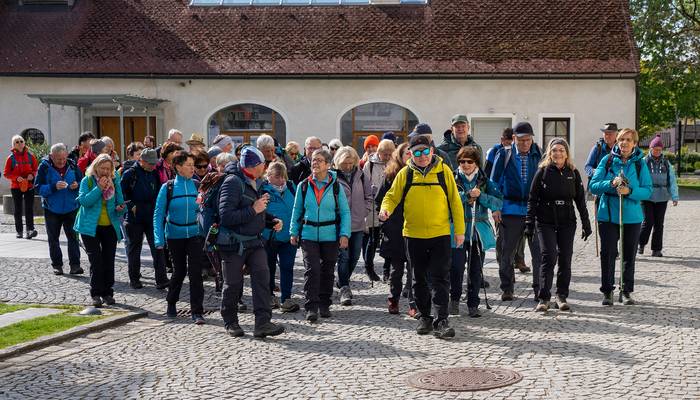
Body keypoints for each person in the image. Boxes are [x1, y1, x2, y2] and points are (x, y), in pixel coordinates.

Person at [379, 133, 465, 339]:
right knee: (418, 279)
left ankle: (442, 320)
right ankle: (424, 317)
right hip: (414, 234)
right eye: (417, 152)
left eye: (425, 151)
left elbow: (455, 202)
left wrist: (459, 231)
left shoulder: (444, 172)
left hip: (440, 234)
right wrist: (385, 209)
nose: (422, 155)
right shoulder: (405, 174)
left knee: (440, 278)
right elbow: (391, 196)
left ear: (432, 151)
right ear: (410, 154)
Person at [217, 147, 286, 338]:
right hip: (233, 243)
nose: (266, 166)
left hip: (254, 241)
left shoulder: (255, 181)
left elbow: (255, 210)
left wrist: (271, 221)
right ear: (254, 166)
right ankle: (230, 321)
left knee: (263, 280)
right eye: (263, 163)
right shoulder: (232, 182)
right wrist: (254, 210)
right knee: (233, 284)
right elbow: (226, 216)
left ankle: (262, 323)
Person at [526, 138, 591, 312]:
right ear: (549, 152)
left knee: (565, 259)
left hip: (567, 220)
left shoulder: (573, 172)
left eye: (561, 150)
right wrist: (529, 223)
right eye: (554, 150)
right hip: (545, 220)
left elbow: (580, 201)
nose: (558, 153)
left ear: (567, 153)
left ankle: (561, 295)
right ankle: (544, 297)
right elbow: (532, 199)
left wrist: (586, 222)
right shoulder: (542, 172)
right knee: (549, 257)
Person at [589, 128, 652, 306]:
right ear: (617, 141)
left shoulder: (640, 163)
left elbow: (647, 190)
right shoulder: (607, 160)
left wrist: (629, 191)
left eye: (628, 140)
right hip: (608, 215)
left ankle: (626, 291)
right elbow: (593, 185)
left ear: (634, 143)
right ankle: (607, 291)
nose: (624, 143)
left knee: (628, 255)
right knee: (608, 253)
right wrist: (611, 183)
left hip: (631, 216)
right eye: (621, 139)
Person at [290, 149, 351, 322]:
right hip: (308, 234)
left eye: (318, 160)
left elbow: (345, 212)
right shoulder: (303, 185)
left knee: (327, 271)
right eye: (313, 160)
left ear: (328, 164)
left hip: (330, 234)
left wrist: (344, 234)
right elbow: (297, 211)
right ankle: (311, 306)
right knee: (312, 270)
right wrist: (294, 231)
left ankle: (324, 303)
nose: (314, 163)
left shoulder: (336, 186)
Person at [490, 122, 543, 301]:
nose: (525, 143)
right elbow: (493, 183)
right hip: (510, 210)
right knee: (506, 252)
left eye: (528, 140)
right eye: (521, 140)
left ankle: (539, 289)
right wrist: (496, 207)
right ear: (514, 139)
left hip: (533, 211)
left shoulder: (539, 155)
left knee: (538, 253)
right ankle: (507, 288)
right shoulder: (504, 154)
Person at [154, 151, 206, 324]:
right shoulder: (167, 187)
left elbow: (202, 210)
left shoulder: (197, 185)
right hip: (174, 236)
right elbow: (158, 214)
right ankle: (171, 302)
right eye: (189, 165)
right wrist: (158, 239)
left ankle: (197, 311)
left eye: (193, 165)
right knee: (179, 271)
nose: (193, 168)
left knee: (196, 272)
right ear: (178, 167)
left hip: (194, 234)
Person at [449, 146, 502, 317]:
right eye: (462, 161)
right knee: (455, 269)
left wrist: (481, 197)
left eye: (469, 161)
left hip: (477, 232)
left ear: (476, 163)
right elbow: (449, 200)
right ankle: (454, 301)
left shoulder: (484, 181)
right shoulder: (452, 178)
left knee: (476, 270)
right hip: (457, 230)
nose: (465, 164)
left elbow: (498, 202)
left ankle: (473, 303)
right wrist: (467, 195)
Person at [74, 154, 126, 308]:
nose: (105, 171)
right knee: (96, 261)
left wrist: (121, 208)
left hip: (109, 225)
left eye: (108, 169)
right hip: (90, 227)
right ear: (96, 167)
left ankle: (107, 293)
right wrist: (99, 188)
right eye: (102, 168)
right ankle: (95, 293)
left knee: (108, 260)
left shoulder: (115, 182)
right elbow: (84, 201)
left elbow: (121, 203)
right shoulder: (88, 181)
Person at [120, 148, 169, 290]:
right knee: (134, 249)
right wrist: (132, 206)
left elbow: (159, 192)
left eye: (154, 163)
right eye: (150, 163)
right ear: (141, 161)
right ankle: (134, 278)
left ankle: (161, 279)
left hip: (151, 216)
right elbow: (123, 193)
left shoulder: (154, 173)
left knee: (157, 246)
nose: (153, 166)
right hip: (134, 218)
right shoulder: (130, 173)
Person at [375, 143, 414, 315]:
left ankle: (414, 303)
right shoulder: (391, 176)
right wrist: (386, 221)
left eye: (413, 153)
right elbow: (380, 200)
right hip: (396, 228)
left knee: (415, 269)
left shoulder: (419, 175)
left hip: (415, 227)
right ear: (399, 155)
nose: (411, 155)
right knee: (396, 269)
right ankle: (394, 300)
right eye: (407, 153)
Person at [35, 143, 83, 275]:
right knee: (53, 238)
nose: (61, 162)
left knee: (73, 237)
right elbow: (38, 188)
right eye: (58, 159)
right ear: (51, 156)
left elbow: (83, 183)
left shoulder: (73, 165)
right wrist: (53, 187)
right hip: (51, 209)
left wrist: (77, 185)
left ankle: (75, 265)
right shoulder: (44, 167)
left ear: (66, 155)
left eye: (63, 158)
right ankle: (57, 265)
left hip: (71, 207)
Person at [486, 128, 528, 279]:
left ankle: (519, 259)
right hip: (504, 204)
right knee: (502, 238)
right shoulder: (496, 153)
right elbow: (491, 178)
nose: (509, 144)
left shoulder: (528, 154)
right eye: (507, 141)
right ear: (502, 140)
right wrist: (495, 204)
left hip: (523, 208)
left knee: (522, 236)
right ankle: (503, 263)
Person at [333, 146, 373, 305]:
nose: (348, 166)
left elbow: (368, 196)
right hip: (340, 223)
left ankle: (343, 281)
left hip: (357, 223)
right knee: (343, 257)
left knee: (355, 256)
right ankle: (344, 287)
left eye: (350, 163)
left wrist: (365, 211)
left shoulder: (361, 175)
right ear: (338, 162)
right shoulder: (333, 177)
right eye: (344, 163)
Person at [260, 161, 300, 312]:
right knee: (268, 268)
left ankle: (286, 299)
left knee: (287, 267)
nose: (281, 180)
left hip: (289, 236)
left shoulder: (291, 187)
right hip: (269, 237)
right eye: (277, 177)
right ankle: (269, 296)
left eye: (283, 176)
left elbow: (299, 208)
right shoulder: (263, 189)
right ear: (269, 176)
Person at [638, 135, 679, 257]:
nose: (657, 151)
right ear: (650, 149)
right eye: (655, 149)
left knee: (659, 224)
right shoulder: (643, 162)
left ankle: (656, 249)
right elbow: (638, 179)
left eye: (659, 149)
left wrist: (674, 196)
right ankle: (641, 243)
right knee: (648, 221)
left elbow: (672, 180)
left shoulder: (666, 163)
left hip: (662, 196)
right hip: (647, 196)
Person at [363, 138, 395, 282]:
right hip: (373, 206)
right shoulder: (369, 164)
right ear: (379, 152)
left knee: (389, 240)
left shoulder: (395, 164)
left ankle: (386, 270)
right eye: (385, 154)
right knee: (373, 239)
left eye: (390, 154)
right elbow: (364, 185)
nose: (387, 157)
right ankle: (369, 268)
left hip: (389, 206)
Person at [4, 135, 39, 239]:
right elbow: (6, 173)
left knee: (29, 209)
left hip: (29, 185)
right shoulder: (10, 158)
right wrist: (16, 178)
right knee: (18, 209)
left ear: (24, 143)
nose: (19, 143)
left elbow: (37, 169)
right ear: (13, 145)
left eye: (21, 141)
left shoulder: (30, 156)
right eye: (17, 142)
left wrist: (32, 175)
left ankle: (30, 230)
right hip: (16, 186)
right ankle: (19, 231)